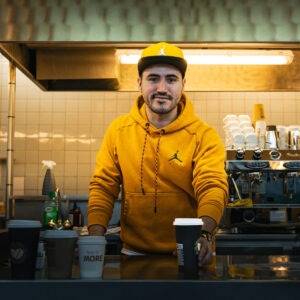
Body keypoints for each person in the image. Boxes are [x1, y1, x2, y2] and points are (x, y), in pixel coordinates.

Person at [88, 42, 228, 266]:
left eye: (171, 79)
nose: (162, 88)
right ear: (139, 83)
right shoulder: (118, 130)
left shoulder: (203, 135)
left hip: (189, 254)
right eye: (153, 78)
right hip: (132, 255)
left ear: (183, 84)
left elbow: (212, 186)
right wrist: (95, 237)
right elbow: (103, 186)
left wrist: (205, 234)